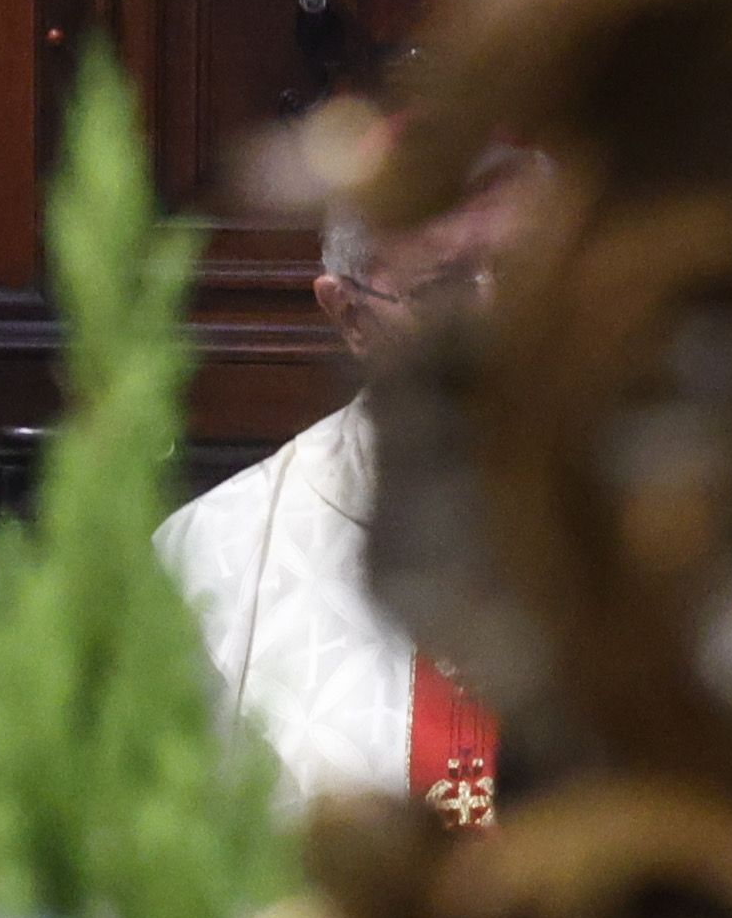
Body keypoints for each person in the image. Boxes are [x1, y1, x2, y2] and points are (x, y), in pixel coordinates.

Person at [156, 152, 546, 827]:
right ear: (351, 317)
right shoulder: (213, 561)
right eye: (444, 290)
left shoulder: (661, 530)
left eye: (524, 281)